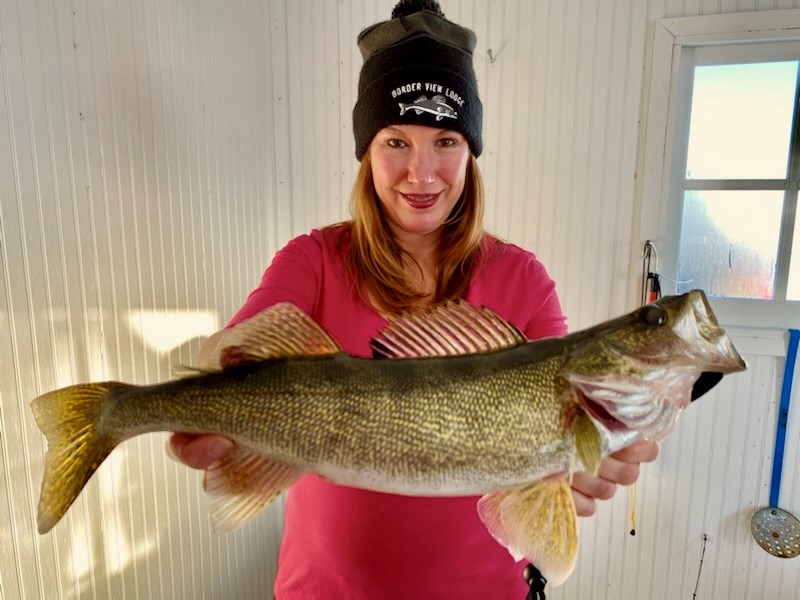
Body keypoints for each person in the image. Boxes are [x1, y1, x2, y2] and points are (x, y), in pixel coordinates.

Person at [169, 1, 659, 597]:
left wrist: (572, 470)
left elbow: (557, 431)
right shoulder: (313, 262)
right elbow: (238, 360)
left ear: (471, 152)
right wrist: (214, 411)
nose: (421, 174)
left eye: (446, 140)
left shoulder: (524, 279)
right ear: (366, 151)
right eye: (396, 141)